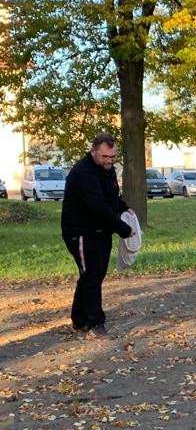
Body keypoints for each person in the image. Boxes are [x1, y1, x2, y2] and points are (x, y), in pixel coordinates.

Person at [60, 133, 136, 339]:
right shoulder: (83, 174)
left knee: (93, 274)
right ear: (93, 151)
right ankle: (95, 323)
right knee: (91, 275)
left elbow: (110, 198)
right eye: (105, 157)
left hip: (101, 231)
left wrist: (125, 208)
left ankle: (79, 320)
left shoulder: (107, 171)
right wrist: (124, 229)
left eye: (112, 157)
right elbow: (99, 207)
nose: (109, 161)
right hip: (81, 232)